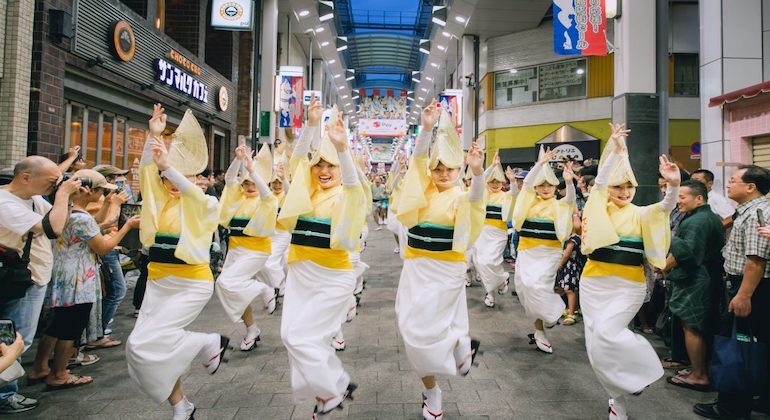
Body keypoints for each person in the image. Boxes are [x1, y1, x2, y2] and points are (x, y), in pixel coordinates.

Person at [126, 105, 229, 420]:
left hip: (191, 283)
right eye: (167, 175)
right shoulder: (159, 199)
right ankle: (181, 406)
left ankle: (210, 341)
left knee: (149, 341)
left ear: (196, 178)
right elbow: (146, 173)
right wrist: (153, 137)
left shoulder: (206, 202)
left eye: (184, 175)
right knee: (139, 349)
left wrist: (169, 167)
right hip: (158, 283)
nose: (172, 179)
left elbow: (193, 194)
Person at [580, 123, 680, 420]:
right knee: (596, 346)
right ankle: (616, 400)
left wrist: (673, 186)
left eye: (629, 186)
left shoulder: (641, 213)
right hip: (594, 286)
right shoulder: (596, 208)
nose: (624, 192)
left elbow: (665, 207)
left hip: (629, 287)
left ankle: (642, 368)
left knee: (609, 334)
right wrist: (615, 150)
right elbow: (597, 184)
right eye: (618, 186)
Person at [394, 101, 485, 420]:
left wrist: (477, 173)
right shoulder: (418, 193)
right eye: (438, 168)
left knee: (430, 329)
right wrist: (427, 128)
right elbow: (417, 161)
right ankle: (436, 383)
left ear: (458, 170)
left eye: (450, 168)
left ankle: (454, 354)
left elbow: (475, 200)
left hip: (447, 271)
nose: (443, 174)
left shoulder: (461, 196)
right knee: (410, 331)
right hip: (415, 269)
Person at [278, 99, 365, 418]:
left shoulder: (347, 194)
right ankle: (333, 386)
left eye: (332, 166)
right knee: (290, 336)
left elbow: (355, 189)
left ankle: (332, 390)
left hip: (332, 277)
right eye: (320, 165)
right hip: (300, 274)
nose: (324, 171)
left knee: (301, 337)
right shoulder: (305, 191)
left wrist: (343, 150)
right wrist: (312, 125)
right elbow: (297, 160)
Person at [28, 169, 139, 390]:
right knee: (71, 328)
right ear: (90, 191)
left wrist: (108, 206)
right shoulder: (80, 218)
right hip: (79, 278)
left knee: (57, 324)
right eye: (101, 191)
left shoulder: (65, 210)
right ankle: (59, 373)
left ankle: (40, 366)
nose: (103, 195)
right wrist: (127, 227)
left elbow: (93, 224)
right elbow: (103, 246)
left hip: (61, 274)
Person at [0, 156, 79, 414]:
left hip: (34, 276)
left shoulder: (33, 199)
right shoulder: (4, 202)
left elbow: (60, 221)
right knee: (15, 339)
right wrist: (63, 194)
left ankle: (6, 392)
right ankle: (5, 395)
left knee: (18, 337)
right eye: (51, 181)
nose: (55, 185)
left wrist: (68, 198)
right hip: (19, 280)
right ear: (25, 177)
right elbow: (52, 228)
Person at [694, 165, 770, 420]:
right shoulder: (746, 211)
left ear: (751, 187)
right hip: (748, 287)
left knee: (740, 348)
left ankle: (733, 407)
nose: (728, 184)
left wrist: (744, 295)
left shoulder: (758, 213)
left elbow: (756, 261)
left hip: (751, 288)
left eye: (734, 180)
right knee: (752, 346)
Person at [661, 180, 725, 393]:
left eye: (682, 197)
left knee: (692, 326)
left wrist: (664, 264)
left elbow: (687, 254)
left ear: (699, 198)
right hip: (706, 277)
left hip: (696, 280)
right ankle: (696, 369)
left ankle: (698, 375)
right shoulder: (708, 217)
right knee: (698, 325)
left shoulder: (697, 222)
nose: (678, 201)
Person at [511, 147, 576, 353]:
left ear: (556, 187)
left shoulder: (560, 205)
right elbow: (527, 184)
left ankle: (548, 318)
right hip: (527, 252)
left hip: (549, 255)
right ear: (536, 187)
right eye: (542, 185)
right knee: (524, 289)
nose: (546, 188)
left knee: (538, 287)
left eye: (550, 184)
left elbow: (571, 200)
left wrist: (569, 181)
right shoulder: (527, 202)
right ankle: (542, 326)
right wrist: (540, 164)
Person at [215, 144, 278, 351]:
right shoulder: (237, 197)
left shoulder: (266, 200)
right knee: (233, 291)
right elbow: (230, 180)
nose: (250, 186)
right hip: (235, 251)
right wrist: (238, 159)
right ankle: (252, 329)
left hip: (256, 251)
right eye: (247, 183)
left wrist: (252, 171)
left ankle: (265, 288)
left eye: (253, 183)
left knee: (225, 282)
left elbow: (268, 195)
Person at [470, 154, 517, 308]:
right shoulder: (482, 194)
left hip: (498, 233)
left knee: (491, 261)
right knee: (480, 262)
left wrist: (512, 181)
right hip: (481, 232)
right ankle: (490, 292)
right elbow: (479, 179)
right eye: (492, 181)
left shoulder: (506, 195)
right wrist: (492, 166)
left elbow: (515, 194)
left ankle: (501, 278)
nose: (495, 184)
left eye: (498, 181)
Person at [556, 210, 585, 326]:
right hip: (570, 266)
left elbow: (567, 254)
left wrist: (560, 264)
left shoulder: (573, 238)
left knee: (570, 290)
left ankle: (572, 313)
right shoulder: (570, 237)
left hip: (570, 266)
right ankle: (573, 309)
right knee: (569, 289)